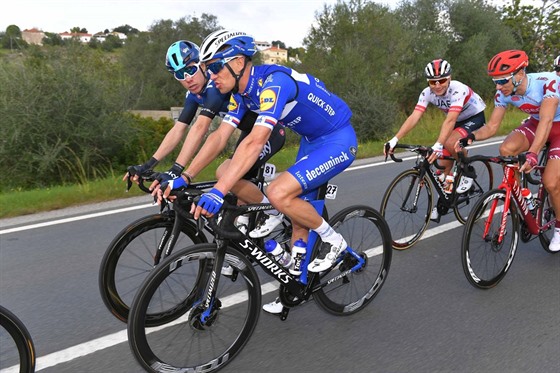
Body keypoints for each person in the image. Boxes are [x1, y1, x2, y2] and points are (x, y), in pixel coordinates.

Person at [168, 30, 357, 313]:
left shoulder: (273, 84)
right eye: (208, 68)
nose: (212, 75)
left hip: (338, 138)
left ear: (240, 63)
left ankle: (336, 243)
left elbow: (256, 142)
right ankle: (297, 282)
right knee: (295, 210)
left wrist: (219, 192)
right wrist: (185, 175)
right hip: (311, 140)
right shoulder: (239, 93)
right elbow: (220, 137)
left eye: (216, 66)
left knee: (278, 192)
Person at [125, 40, 286, 234]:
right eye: (179, 74)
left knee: (228, 176)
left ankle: (274, 211)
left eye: (190, 70)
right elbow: (179, 129)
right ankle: (241, 243)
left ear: (203, 65)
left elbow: (200, 127)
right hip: (247, 135)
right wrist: (148, 165)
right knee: (234, 200)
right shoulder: (194, 95)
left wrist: (178, 171)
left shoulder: (215, 89)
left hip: (270, 133)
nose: (187, 78)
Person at [457, 49, 560, 252]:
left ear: (520, 73)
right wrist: (470, 137)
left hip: (556, 126)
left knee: (550, 182)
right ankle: (525, 197)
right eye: (495, 81)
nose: (498, 86)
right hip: (535, 123)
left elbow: (547, 121)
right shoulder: (503, 93)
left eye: (503, 80)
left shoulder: (547, 82)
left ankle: (559, 226)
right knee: (506, 148)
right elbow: (492, 127)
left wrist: (532, 153)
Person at [384, 58, 487, 221]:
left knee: (448, 142)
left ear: (449, 78)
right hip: (456, 120)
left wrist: (438, 144)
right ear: (428, 82)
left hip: (474, 117)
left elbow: (450, 120)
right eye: (433, 82)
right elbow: (414, 117)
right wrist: (395, 139)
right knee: (442, 168)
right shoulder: (427, 93)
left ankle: (468, 172)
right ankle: (445, 201)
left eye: (442, 80)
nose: (438, 85)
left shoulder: (458, 89)